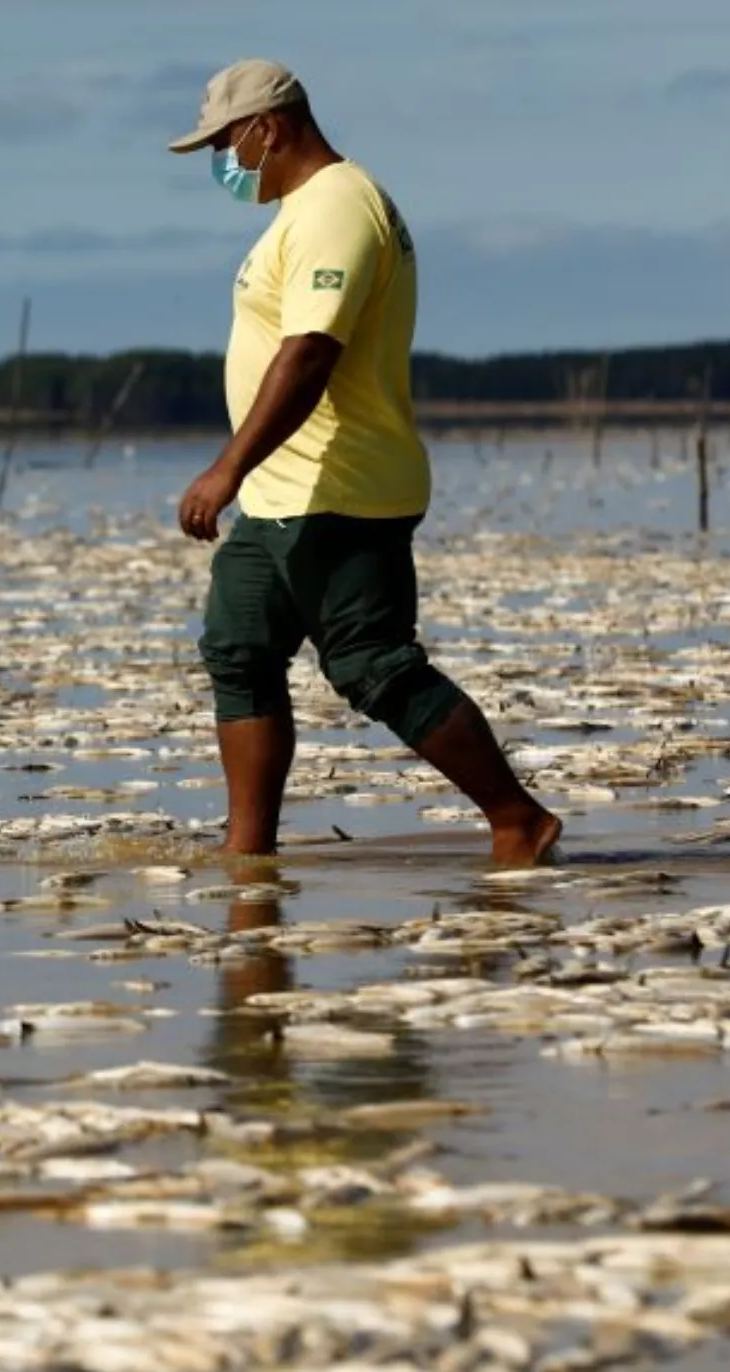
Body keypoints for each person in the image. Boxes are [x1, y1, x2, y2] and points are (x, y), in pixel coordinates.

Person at [167, 59, 562, 867]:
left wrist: (225, 469)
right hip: (283, 495)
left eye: (224, 144)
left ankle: (518, 819)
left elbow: (310, 353)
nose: (223, 162)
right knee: (238, 649)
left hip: (342, 487)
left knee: (371, 665)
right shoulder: (297, 215)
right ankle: (249, 857)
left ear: (267, 128)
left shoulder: (340, 209)